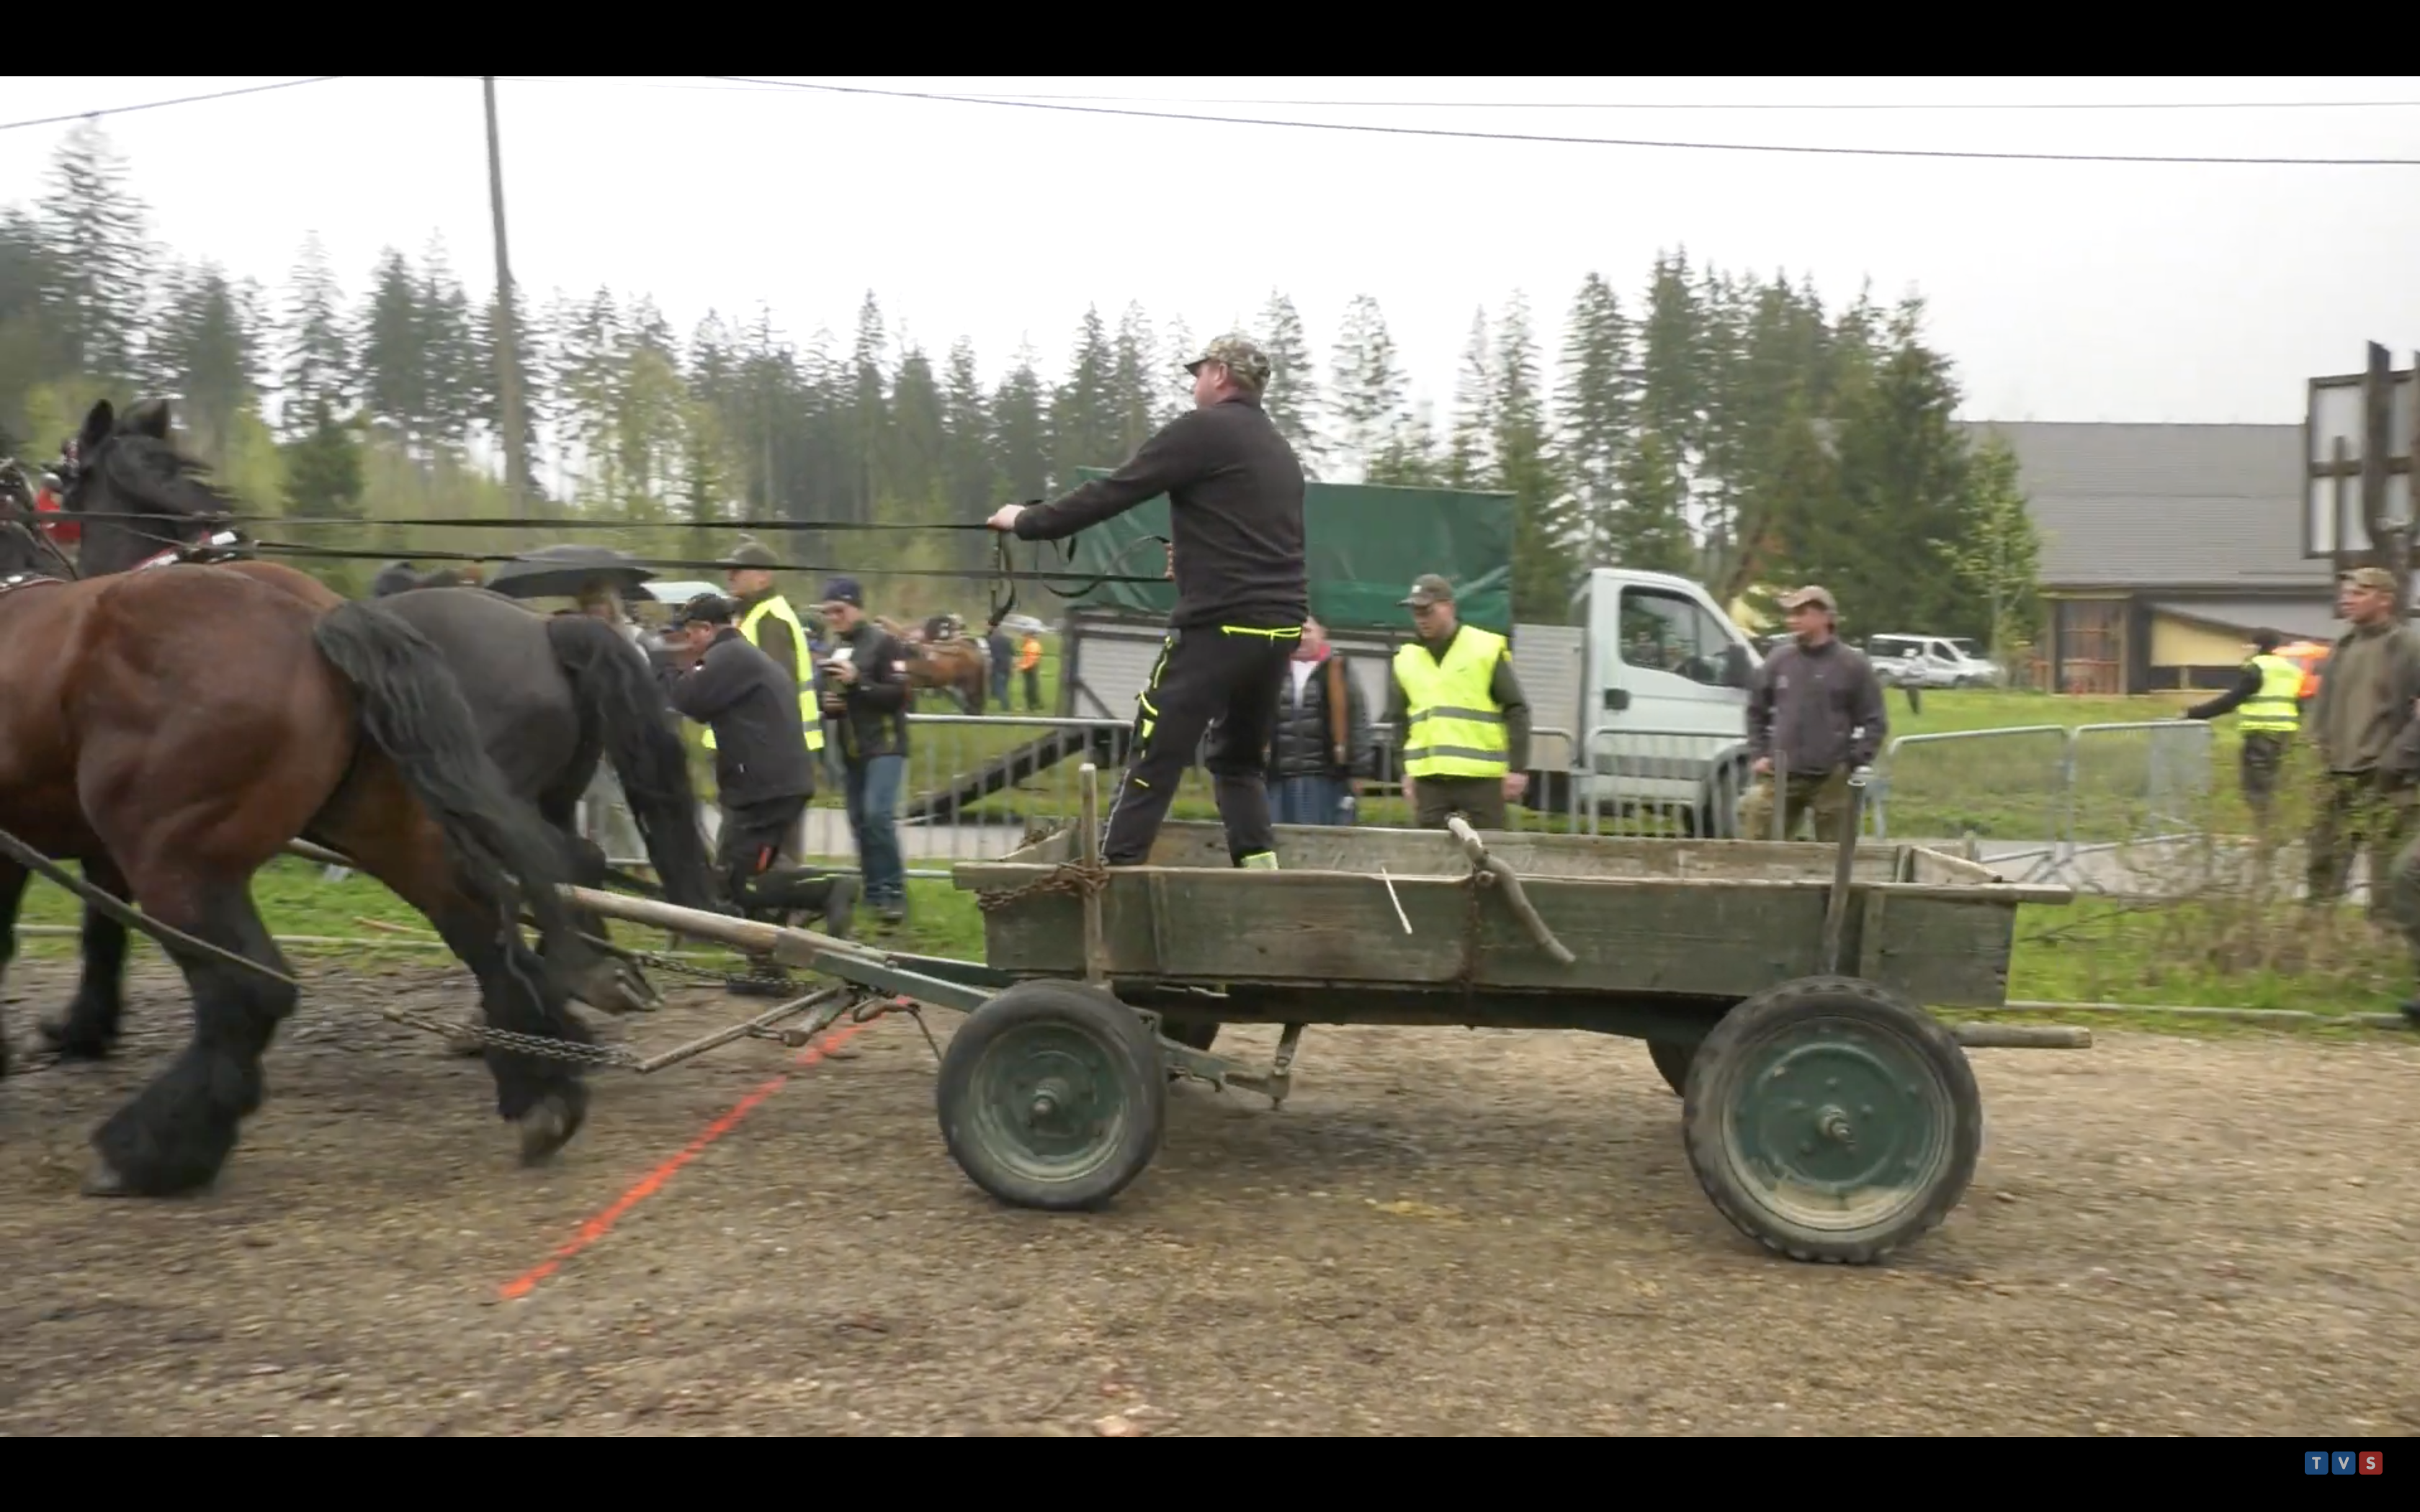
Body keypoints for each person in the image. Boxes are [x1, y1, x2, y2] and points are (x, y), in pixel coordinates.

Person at [986, 334, 1308, 870]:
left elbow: (1117, 489)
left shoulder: (1204, 431)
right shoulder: (1278, 449)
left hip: (1218, 627)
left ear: (1222, 374)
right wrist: (1197, 560)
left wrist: (1028, 522)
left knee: (1154, 753)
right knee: (1237, 761)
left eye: (1198, 372)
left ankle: (1113, 878)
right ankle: (1262, 879)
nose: (1193, 383)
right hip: (1277, 629)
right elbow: (1263, 540)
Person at [658, 593, 857, 960]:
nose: (689, 642)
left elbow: (690, 700)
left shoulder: (728, 656)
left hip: (762, 788)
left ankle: (828, 892)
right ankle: (767, 966)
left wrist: (664, 668)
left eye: (690, 633)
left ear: (705, 628)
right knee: (753, 876)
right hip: (774, 783)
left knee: (739, 882)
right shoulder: (741, 655)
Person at [2306, 567, 2420, 940]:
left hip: (2387, 774)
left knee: (2386, 868)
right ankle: (2319, 937)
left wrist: (2396, 761)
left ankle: (2386, 943)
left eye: (2357, 593)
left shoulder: (2406, 645)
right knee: (2323, 859)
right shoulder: (2344, 645)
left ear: (2384, 599)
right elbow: (2325, 705)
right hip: (2338, 772)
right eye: (2346, 593)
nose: (2346, 599)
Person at [1741, 585, 1887, 842]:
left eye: (1800, 613)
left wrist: (1853, 760)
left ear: (1826, 617)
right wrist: (1759, 753)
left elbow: (1876, 720)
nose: (1791, 620)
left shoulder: (1853, 665)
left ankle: (1829, 885)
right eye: (1790, 614)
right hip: (1782, 773)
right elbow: (1756, 710)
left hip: (1831, 777)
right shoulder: (1779, 660)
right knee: (1758, 842)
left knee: (1835, 854)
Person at [1386, 575, 1531, 830]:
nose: (1420, 618)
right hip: (1429, 781)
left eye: (1427, 610)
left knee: (1490, 857)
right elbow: (1399, 721)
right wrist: (1405, 772)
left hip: (1482, 781)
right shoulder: (1405, 658)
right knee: (1431, 860)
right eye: (1415, 611)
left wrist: (1517, 768)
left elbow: (1516, 709)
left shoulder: (1484, 647)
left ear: (1449, 608)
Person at [714, 536, 825, 863]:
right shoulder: (752, 617)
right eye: (729, 571)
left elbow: (775, 690)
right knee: (759, 842)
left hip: (773, 752)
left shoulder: (770, 620)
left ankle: (792, 906)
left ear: (764, 576)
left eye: (738, 570)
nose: (730, 576)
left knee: (776, 844)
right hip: (764, 750)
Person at [817, 575, 914, 925]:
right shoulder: (834, 648)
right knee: (859, 822)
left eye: (839, 610)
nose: (833, 618)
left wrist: (859, 682)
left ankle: (893, 893)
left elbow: (900, 696)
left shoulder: (885, 644)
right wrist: (828, 703)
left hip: (885, 744)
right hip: (851, 746)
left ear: (857, 607)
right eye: (827, 612)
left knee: (877, 816)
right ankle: (874, 892)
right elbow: (835, 700)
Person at [2182, 626, 2303, 825]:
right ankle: (2278, 830)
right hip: (2286, 735)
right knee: (2279, 786)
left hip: (2261, 733)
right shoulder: (2291, 670)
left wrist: (2193, 714)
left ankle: (2266, 836)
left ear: (2255, 645)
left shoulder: (2256, 668)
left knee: (2257, 787)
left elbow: (2232, 700)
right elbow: (2298, 704)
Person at [1268, 616, 1371, 826]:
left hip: (1324, 777)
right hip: (1277, 776)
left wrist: (1359, 770)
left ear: (1322, 633)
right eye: (1294, 631)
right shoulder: (1271, 669)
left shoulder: (1337, 668)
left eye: (1307, 630)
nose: (1301, 637)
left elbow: (1358, 720)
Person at [985, 616, 1013, 711]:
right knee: (1003, 687)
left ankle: (1006, 706)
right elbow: (1012, 653)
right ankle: (1001, 702)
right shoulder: (1008, 640)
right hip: (1007, 666)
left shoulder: (991, 640)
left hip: (997, 666)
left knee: (1000, 688)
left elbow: (990, 654)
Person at [1017, 628, 1044, 711]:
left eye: (1024, 636)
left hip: (1030, 669)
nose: (1023, 638)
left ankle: (1030, 706)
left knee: (1029, 688)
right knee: (1032, 687)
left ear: (1029, 636)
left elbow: (1032, 659)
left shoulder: (1033, 645)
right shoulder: (1029, 644)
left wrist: (1023, 667)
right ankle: (1036, 704)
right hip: (1029, 668)